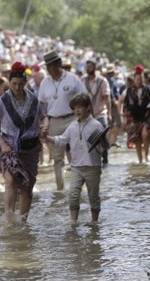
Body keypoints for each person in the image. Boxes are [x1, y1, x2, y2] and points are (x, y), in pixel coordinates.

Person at [0, 62, 47, 222]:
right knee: (10, 181)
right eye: (14, 84)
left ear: (25, 83)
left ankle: (23, 222)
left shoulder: (34, 100)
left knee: (27, 187)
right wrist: (2, 144)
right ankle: (9, 219)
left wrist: (44, 126)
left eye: (21, 84)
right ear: (10, 82)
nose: (17, 87)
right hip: (9, 148)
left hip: (31, 149)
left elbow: (43, 117)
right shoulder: (2, 102)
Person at [46, 93, 108, 224]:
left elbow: (106, 146)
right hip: (76, 167)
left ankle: (94, 222)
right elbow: (61, 140)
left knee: (93, 196)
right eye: (74, 108)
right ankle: (73, 222)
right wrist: (46, 138)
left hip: (92, 166)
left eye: (80, 107)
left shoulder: (96, 125)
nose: (77, 111)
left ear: (88, 108)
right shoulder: (73, 126)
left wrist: (102, 140)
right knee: (73, 194)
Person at [38, 50, 87, 190]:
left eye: (52, 65)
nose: (50, 69)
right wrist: (42, 123)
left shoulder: (72, 79)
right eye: (47, 67)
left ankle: (79, 186)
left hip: (73, 118)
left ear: (59, 64)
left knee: (77, 152)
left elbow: (85, 97)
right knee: (57, 157)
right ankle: (60, 188)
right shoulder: (44, 83)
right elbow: (40, 105)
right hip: (54, 121)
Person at [82, 58, 112, 165]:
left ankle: (105, 159)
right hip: (88, 115)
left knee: (102, 135)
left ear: (95, 67)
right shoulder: (83, 81)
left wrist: (109, 114)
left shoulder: (102, 81)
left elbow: (107, 98)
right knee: (87, 138)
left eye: (90, 67)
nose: (88, 69)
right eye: (87, 67)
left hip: (100, 113)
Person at [121, 69, 150, 163]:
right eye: (137, 79)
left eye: (141, 79)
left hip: (145, 117)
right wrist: (125, 114)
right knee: (137, 139)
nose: (139, 81)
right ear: (134, 79)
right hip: (133, 118)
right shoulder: (129, 90)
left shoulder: (147, 89)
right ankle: (140, 160)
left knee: (145, 134)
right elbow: (125, 104)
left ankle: (146, 155)